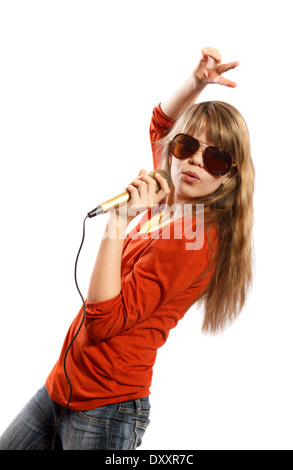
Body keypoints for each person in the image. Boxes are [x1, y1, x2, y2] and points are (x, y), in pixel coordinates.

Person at [0, 47, 255, 450]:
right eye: (187, 146)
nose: (196, 162)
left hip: (106, 410)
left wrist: (117, 222)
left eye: (217, 159)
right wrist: (197, 82)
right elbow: (163, 124)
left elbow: (103, 320)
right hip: (62, 386)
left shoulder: (195, 240)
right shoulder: (172, 191)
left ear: (229, 177)